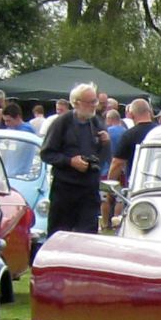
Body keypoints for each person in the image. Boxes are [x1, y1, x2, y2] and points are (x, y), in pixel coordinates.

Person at [38, 82, 111, 234]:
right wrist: (70, 161)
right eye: (90, 102)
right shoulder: (61, 123)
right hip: (65, 190)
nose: (94, 105)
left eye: (95, 101)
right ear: (76, 103)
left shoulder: (97, 122)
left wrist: (105, 143)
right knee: (59, 234)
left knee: (87, 235)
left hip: (89, 189)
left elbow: (104, 158)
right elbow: (46, 153)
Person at [109, 98, 159, 184]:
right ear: (150, 112)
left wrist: (110, 189)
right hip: (160, 183)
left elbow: (117, 164)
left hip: (136, 185)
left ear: (131, 115)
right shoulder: (160, 132)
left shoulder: (128, 135)